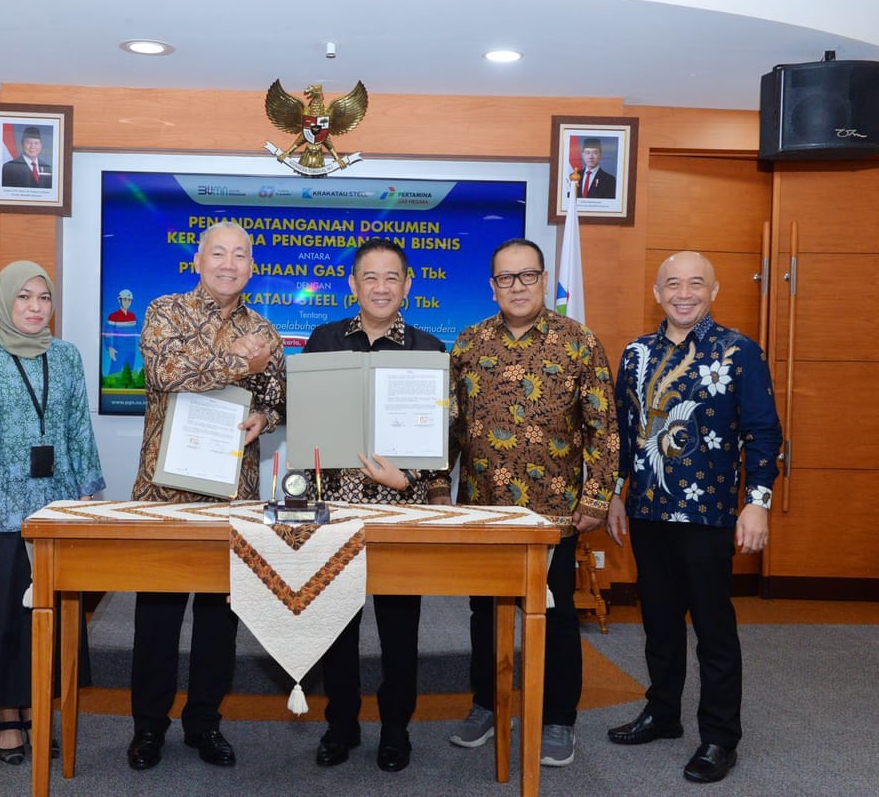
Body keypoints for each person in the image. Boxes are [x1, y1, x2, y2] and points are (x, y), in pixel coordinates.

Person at [606, 251, 782, 784]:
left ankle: (719, 738)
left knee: (713, 629)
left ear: (714, 290)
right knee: (658, 622)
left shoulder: (739, 352)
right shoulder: (636, 354)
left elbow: (764, 433)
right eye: (673, 285)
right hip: (648, 512)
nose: (684, 293)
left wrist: (757, 501)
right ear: (657, 293)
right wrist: (615, 493)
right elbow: (622, 432)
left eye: (696, 284)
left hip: (708, 514)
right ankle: (663, 713)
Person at [447, 238, 618, 768]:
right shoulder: (469, 343)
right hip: (484, 509)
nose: (516, 287)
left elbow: (604, 428)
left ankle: (558, 718)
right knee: (483, 613)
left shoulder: (578, 342)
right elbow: (449, 427)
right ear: (491, 285)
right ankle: (485, 703)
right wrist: (434, 486)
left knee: (557, 614)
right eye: (505, 278)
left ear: (545, 281)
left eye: (527, 276)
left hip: (555, 513)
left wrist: (596, 496)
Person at [127, 220, 286, 771]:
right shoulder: (164, 311)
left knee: (219, 621)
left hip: (231, 498)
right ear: (197, 260)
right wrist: (243, 361)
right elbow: (167, 372)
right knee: (156, 619)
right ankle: (148, 727)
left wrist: (265, 414)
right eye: (217, 253)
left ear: (252, 266)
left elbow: (279, 400)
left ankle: (204, 724)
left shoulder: (264, 329)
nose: (228, 263)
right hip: (164, 495)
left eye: (240, 255)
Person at [302, 238, 451, 773]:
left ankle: (396, 730)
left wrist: (407, 478)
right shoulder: (322, 342)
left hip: (398, 510)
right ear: (353, 285)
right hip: (336, 513)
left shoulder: (429, 349)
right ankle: (341, 726)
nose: (381, 287)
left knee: (398, 631)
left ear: (408, 285)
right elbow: (306, 423)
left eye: (393, 277)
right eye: (370, 277)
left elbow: (439, 436)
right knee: (336, 628)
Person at [0, 261, 105, 764]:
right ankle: (7, 715)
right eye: (24, 297)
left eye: (43, 297)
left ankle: (41, 705)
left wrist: (88, 497)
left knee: (53, 617)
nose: (35, 307)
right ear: (4, 302)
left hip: (56, 510)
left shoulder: (66, 357)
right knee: (2, 620)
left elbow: (79, 428)